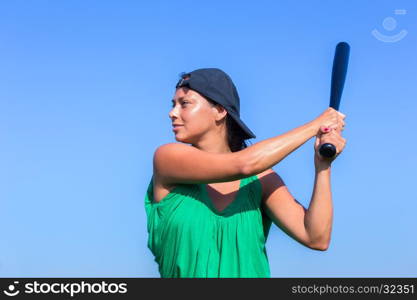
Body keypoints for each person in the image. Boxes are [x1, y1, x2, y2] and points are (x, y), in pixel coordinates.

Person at [144, 68, 346, 278]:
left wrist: (323, 165)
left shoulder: (262, 180)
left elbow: (316, 237)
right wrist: (317, 124)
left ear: (220, 111)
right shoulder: (167, 159)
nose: (172, 113)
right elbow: (245, 164)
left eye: (184, 103)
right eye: (173, 104)